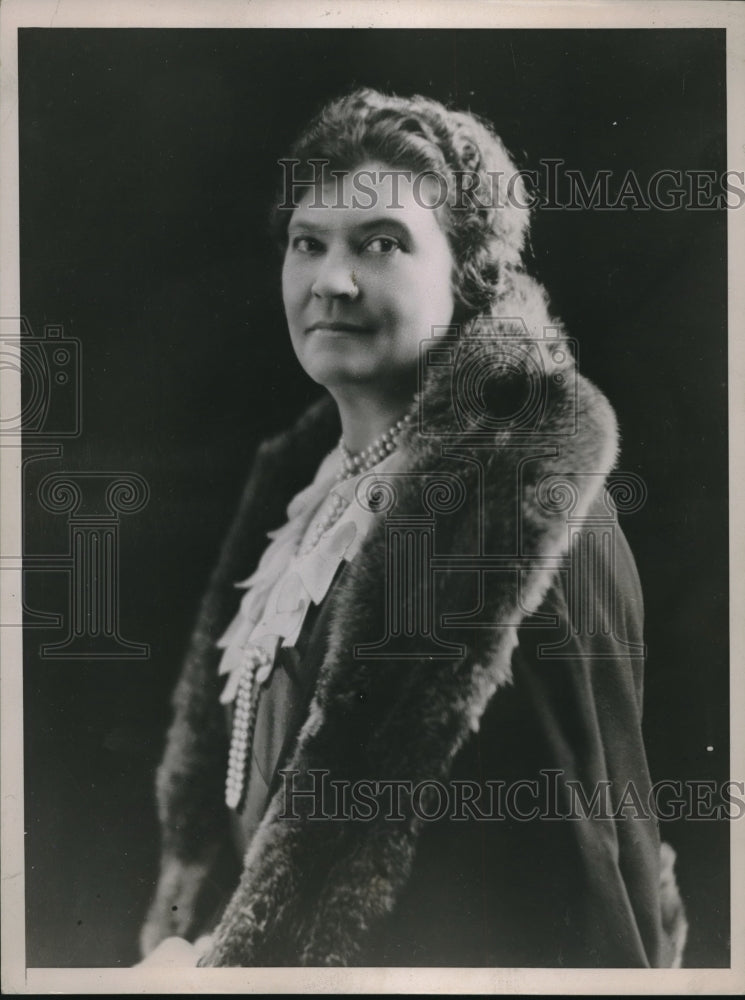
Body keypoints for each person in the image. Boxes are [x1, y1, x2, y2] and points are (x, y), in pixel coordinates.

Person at [139, 88, 687, 968]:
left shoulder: (528, 514)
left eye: (382, 244)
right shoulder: (306, 498)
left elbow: (569, 905)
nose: (332, 280)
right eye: (306, 244)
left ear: (470, 274)